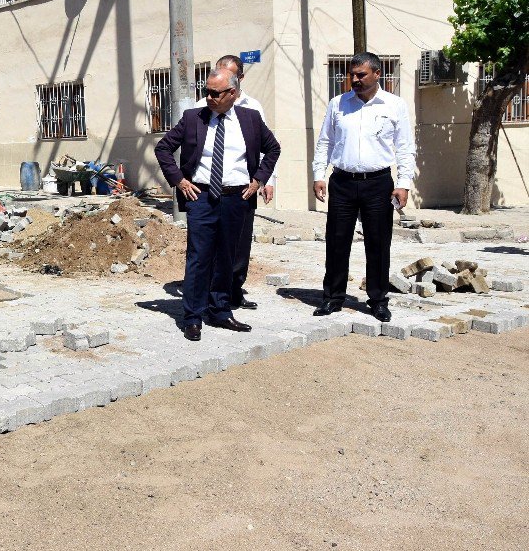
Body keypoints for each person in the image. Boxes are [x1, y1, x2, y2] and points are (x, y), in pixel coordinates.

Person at [155, 70, 281, 341]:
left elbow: (273, 149)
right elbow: (163, 148)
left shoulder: (250, 119)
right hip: (201, 197)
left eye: (215, 93)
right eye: (207, 91)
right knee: (199, 258)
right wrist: (178, 180)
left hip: (237, 198)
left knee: (227, 257)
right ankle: (192, 317)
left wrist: (259, 179)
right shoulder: (193, 118)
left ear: (232, 93)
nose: (209, 98)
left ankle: (220, 311)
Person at [311, 52, 416, 322]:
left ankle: (378, 300)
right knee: (336, 242)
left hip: (379, 184)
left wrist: (403, 184)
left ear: (377, 74)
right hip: (343, 182)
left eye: (361, 75)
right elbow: (325, 142)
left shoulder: (394, 105)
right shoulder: (338, 104)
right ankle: (333, 297)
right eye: (352, 75)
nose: (354, 80)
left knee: (378, 243)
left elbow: (405, 147)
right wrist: (318, 174)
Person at [193, 55, 276, 310]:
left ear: (239, 79)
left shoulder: (253, 107)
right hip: (212, 188)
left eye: (229, 75)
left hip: (243, 188)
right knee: (212, 245)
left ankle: (234, 290)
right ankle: (211, 294)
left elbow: (266, 147)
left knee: (239, 243)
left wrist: (266, 180)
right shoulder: (202, 106)